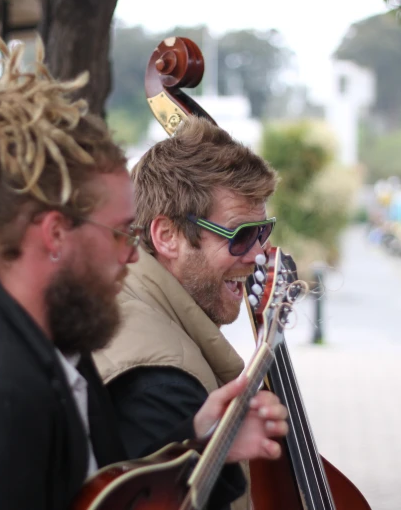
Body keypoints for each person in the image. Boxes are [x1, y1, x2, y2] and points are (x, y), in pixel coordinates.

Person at [0, 32, 288, 510]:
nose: (129, 255)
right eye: (121, 232)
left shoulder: (51, 349)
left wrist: (201, 442)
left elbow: (104, 495)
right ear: (56, 234)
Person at [92, 115, 279, 509]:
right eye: (241, 235)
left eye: (263, 232)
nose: (259, 254)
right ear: (168, 236)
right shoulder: (160, 378)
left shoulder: (136, 304)